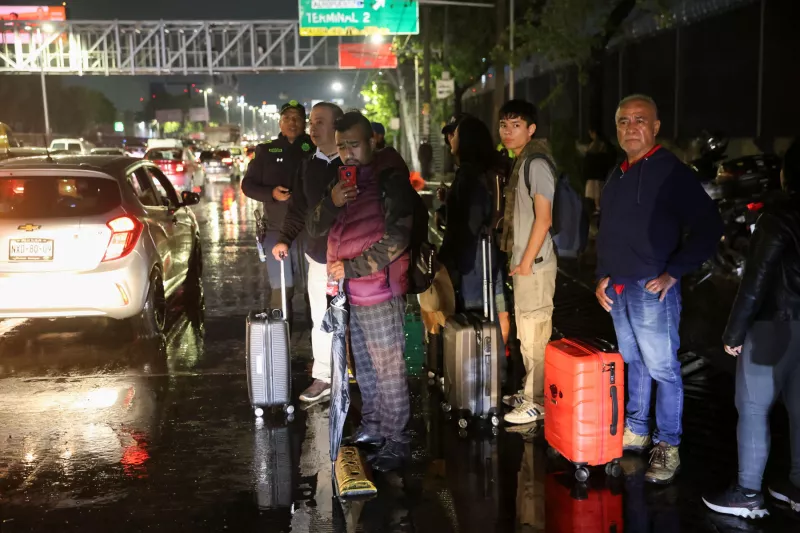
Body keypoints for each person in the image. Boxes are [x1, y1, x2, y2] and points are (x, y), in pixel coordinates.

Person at [595, 94, 724, 485]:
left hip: (653, 288)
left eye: (639, 120)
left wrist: (674, 272)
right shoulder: (616, 172)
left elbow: (709, 226)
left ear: (655, 128)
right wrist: (601, 275)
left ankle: (668, 444)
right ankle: (637, 428)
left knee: (663, 368)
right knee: (633, 361)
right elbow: (608, 230)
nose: (630, 127)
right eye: (622, 121)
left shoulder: (672, 171)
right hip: (618, 288)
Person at [307, 111, 417, 472]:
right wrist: (333, 201)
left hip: (379, 291)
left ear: (372, 141)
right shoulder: (341, 181)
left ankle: (397, 440)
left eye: (354, 144)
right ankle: (373, 426)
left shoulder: (390, 179)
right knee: (364, 367)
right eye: (341, 147)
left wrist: (352, 267)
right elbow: (314, 226)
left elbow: (398, 237)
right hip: (349, 293)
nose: (348, 153)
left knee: (389, 368)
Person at [702, 139, 800, 518]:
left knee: (754, 407)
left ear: (785, 175)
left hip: (775, 324)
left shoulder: (778, 218)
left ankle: (747, 492)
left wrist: (733, 333)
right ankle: (795, 484)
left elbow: (756, 281)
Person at [272, 102, 344, 403]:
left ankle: (357, 377)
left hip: (353, 259)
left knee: (358, 319)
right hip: (318, 256)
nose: (313, 128)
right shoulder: (307, 164)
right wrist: (285, 238)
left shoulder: (353, 163)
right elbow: (298, 208)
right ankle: (324, 377)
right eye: (311, 122)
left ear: (337, 126)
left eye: (320, 122)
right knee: (321, 319)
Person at [496, 100, 558, 426]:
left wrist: (526, 261)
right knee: (526, 332)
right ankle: (530, 390)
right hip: (525, 263)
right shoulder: (522, 162)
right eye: (504, 125)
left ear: (531, 129)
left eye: (516, 125)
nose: (508, 131)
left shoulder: (535, 164)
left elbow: (544, 219)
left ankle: (537, 401)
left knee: (535, 333)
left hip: (534, 263)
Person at [437, 116, 510, 347]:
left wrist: (450, 258)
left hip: (474, 257)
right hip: (490, 252)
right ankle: (499, 367)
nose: (451, 140)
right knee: (497, 307)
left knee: (476, 314)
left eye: (455, 135)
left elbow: (471, 218)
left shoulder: (468, 174)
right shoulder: (485, 169)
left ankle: (484, 369)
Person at [242, 100, 314, 327]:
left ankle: (321, 352)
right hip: (276, 229)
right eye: (287, 118)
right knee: (281, 290)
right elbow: (248, 185)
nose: (292, 122)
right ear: (280, 122)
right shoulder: (266, 151)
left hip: (311, 231)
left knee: (316, 289)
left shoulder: (316, 148)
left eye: (297, 118)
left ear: (305, 123)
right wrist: (271, 193)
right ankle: (280, 349)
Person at [581, 126, 616, 212]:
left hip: (594, 174)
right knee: (598, 192)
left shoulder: (596, 145)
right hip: (600, 175)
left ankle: (596, 209)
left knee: (594, 193)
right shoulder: (605, 145)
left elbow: (590, 156)